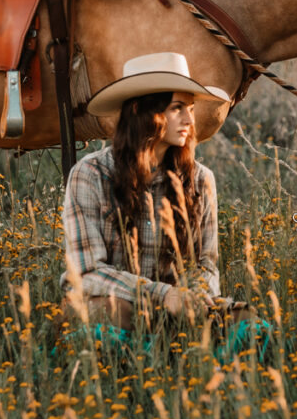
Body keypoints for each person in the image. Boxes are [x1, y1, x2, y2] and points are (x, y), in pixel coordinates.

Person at [56, 52, 269, 360]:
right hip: (113, 307)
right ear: (143, 112)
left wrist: (193, 297)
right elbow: (87, 273)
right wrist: (161, 294)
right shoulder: (90, 176)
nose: (190, 120)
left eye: (191, 108)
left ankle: (198, 377)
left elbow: (205, 266)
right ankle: (131, 382)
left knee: (247, 324)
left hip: (176, 311)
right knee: (114, 314)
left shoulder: (199, 179)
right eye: (177, 108)